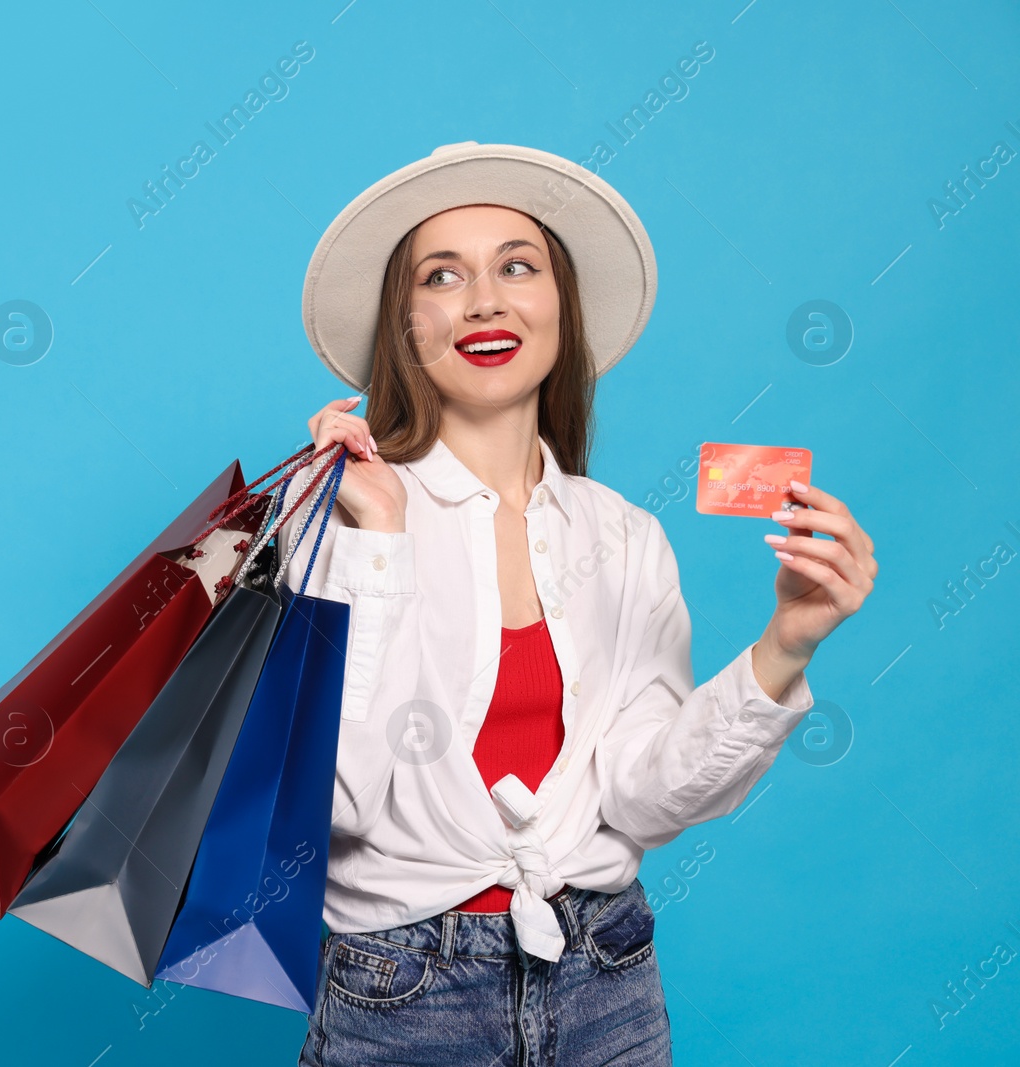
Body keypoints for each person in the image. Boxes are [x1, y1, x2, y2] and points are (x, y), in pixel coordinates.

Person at [278, 143, 877, 1066]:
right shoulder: (347, 510)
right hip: (402, 994)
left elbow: (643, 799)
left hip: (606, 972)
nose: (484, 300)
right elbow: (340, 803)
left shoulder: (625, 536)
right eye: (443, 276)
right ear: (405, 322)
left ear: (561, 307)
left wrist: (786, 643)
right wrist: (377, 545)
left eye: (518, 265)